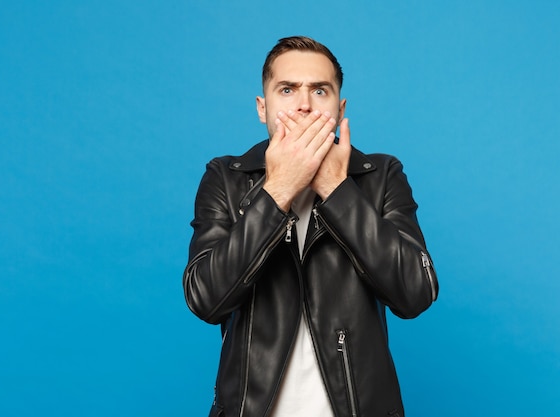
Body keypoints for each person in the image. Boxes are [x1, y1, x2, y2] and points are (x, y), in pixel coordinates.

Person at [184, 35, 438, 417]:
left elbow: (416, 293)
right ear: (262, 107)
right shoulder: (226, 178)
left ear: (340, 107)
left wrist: (337, 189)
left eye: (320, 90)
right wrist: (280, 188)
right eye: (287, 89)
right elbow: (206, 298)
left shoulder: (381, 176)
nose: (304, 104)